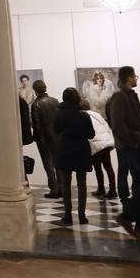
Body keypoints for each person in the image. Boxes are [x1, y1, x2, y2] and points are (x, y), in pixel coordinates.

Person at [108, 65, 140, 238]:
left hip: (137, 144)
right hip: (132, 146)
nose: (136, 79)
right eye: (135, 76)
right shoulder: (119, 96)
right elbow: (117, 124)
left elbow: (130, 121)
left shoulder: (130, 95)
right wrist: (134, 138)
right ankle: (126, 216)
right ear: (130, 78)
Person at [54, 88, 93, 226]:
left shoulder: (59, 114)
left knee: (66, 184)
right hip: (81, 149)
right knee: (81, 184)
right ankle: (82, 215)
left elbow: (56, 130)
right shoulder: (83, 115)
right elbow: (91, 134)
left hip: (64, 148)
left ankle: (67, 215)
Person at [29, 81, 60, 197]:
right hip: (56, 137)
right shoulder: (55, 101)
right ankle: (61, 188)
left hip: (44, 139)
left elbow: (36, 124)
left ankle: (54, 189)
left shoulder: (36, 104)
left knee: (48, 164)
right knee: (57, 163)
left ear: (35, 90)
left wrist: (36, 138)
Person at [85, 95, 116, 200]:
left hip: (95, 144)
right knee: (108, 167)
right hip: (105, 143)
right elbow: (106, 126)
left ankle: (101, 189)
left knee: (98, 168)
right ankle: (113, 190)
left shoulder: (83, 115)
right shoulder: (96, 114)